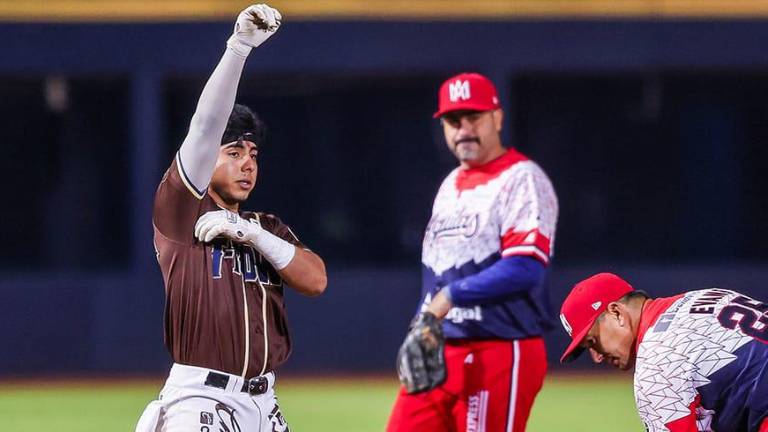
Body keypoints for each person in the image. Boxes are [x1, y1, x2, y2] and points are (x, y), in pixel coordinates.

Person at [135, 5, 327, 431]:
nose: (247, 165)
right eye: (234, 153)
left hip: (265, 401)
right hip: (200, 396)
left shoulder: (268, 227)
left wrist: (253, 235)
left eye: (253, 155)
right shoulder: (180, 213)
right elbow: (205, 127)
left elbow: (315, 280)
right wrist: (239, 48)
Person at [388, 73, 559, 432]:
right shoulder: (450, 185)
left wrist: (448, 298)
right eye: (453, 120)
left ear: (497, 117)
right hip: (443, 348)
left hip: (501, 348)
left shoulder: (522, 178)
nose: (463, 129)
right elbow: (437, 269)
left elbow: (526, 267)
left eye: (473, 117)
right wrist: (421, 319)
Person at [559, 272, 768, 432]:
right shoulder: (706, 296)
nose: (596, 357)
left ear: (616, 313)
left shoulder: (654, 364)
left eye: (593, 341)